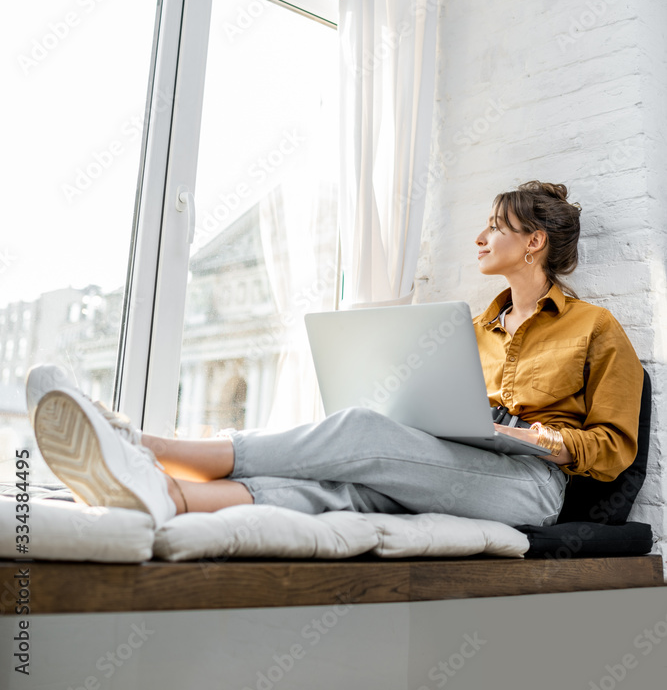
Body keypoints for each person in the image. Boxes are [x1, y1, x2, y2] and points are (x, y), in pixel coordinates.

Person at [27, 181, 644, 531]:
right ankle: (169, 496)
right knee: (345, 493)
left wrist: (544, 441)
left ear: (534, 242)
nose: (479, 238)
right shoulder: (470, 326)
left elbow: (615, 450)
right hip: (458, 460)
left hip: (529, 485)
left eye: (496, 227)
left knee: (359, 431)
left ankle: (147, 448)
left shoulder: (596, 328)